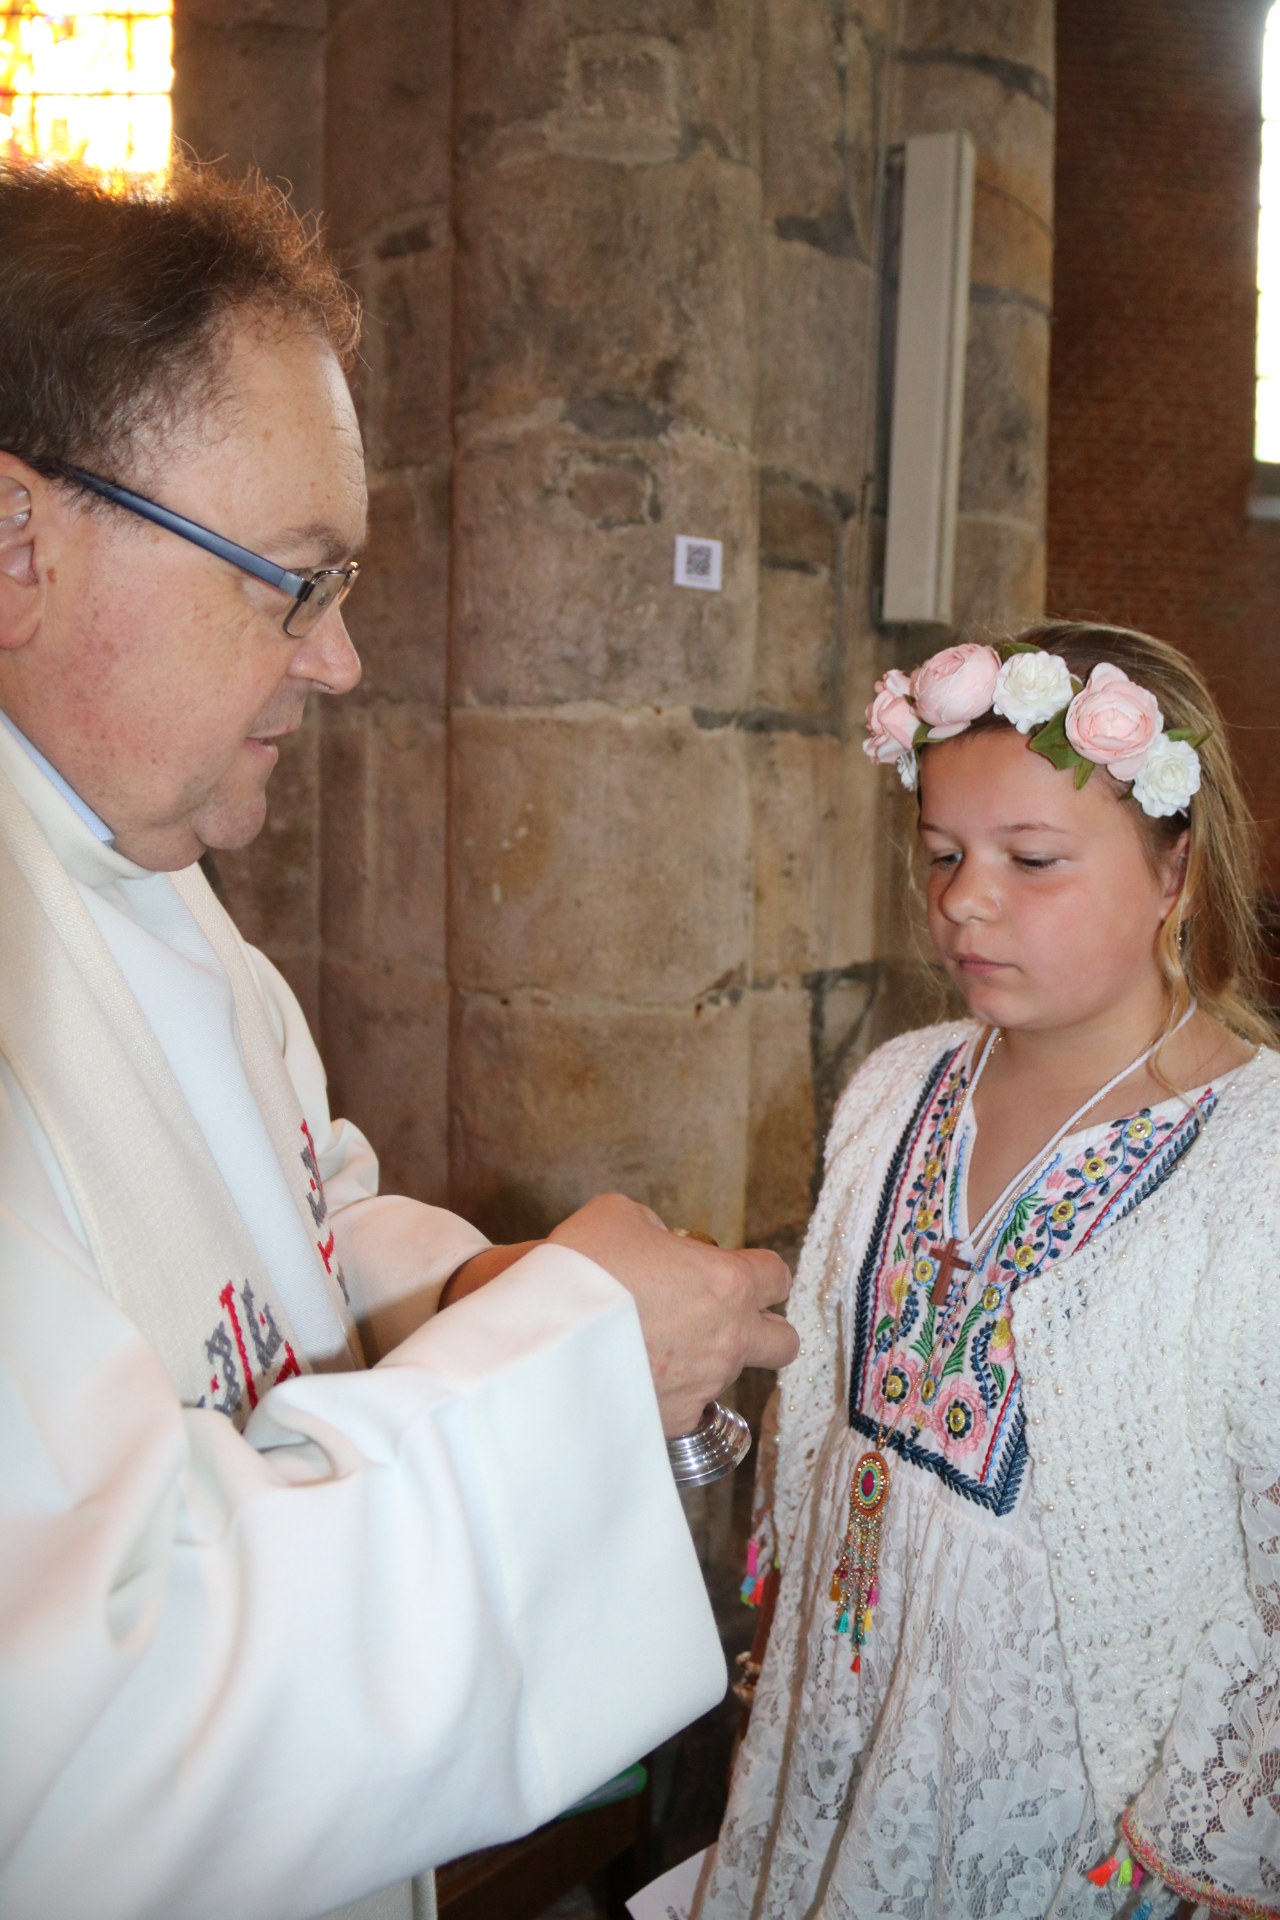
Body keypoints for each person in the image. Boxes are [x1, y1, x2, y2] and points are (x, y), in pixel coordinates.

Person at [0, 160, 798, 1920]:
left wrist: (469, 1291)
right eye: (294, 580)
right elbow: (99, 1728)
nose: (342, 660)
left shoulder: (141, 874)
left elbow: (291, 1219)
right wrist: (568, 1368)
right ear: (18, 541)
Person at [695, 624, 1280, 1920]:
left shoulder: (1257, 1165)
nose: (966, 899)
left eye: (1033, 860)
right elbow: (836, 1393)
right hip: (849, 1701)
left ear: (1174, 865)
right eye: (946, 854)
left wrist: (1193, 1835)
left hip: (1076, 1793)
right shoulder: (902, 1082)